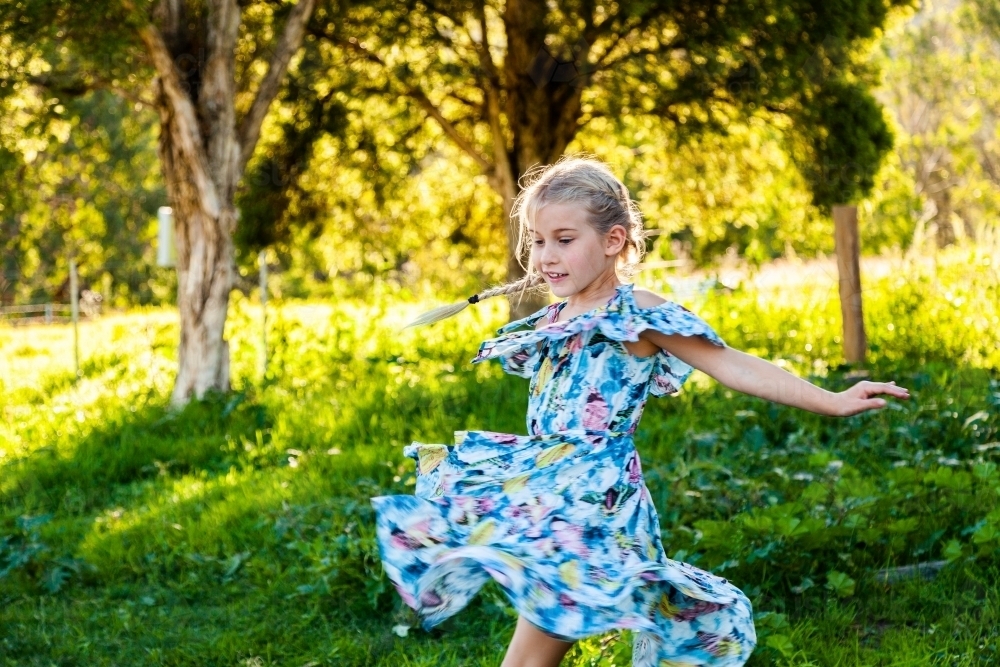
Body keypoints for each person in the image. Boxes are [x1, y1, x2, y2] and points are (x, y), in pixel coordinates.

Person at [370, 155, 910, 667]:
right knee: (537, 640)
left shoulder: (637, 314)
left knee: (534, 647)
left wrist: (832, 399)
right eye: (537, 242)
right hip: (551, 489)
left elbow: (731, 365)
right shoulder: (558, 313)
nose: (545, 257)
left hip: (593, 503)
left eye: (563, 240)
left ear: (613, 241)